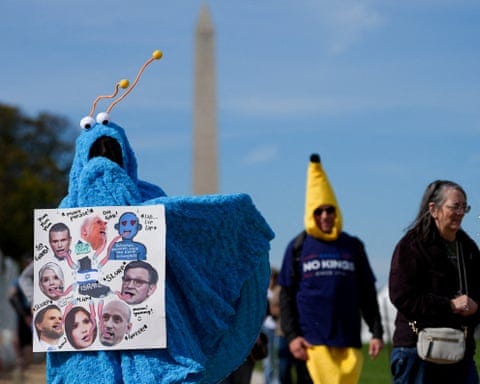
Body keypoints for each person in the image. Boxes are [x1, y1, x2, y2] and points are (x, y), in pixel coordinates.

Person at [278, 154, 383, 384]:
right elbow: (286, 296)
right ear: (310, 214)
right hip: (310, 346)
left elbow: (367, 292)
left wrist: (377, 332)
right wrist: (293, 337)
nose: (325, 216)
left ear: (337, 212)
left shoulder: (352, 246)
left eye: (329, 210)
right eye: (319, 211)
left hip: (347, 343)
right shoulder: (298, 247)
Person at [389, 180, 480, 384]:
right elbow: (402, 296)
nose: (460, 212)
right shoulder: (411, 246)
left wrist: (476, 306)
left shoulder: (469, 249)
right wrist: (449, 305)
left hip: (460, 352)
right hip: (416, 352)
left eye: (464, 207)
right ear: (433, 209)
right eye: (454, 206)